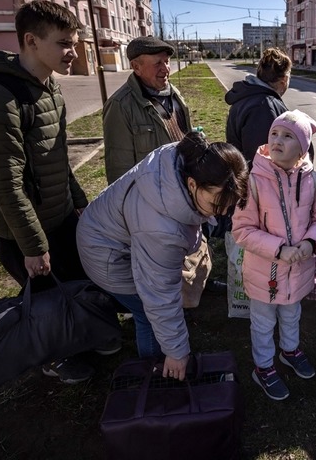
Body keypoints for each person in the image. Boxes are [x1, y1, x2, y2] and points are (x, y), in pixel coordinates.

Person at [0, 0, 112, 384]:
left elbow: (59, 159)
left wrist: (79, 204)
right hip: (21, 229)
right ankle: (53, 358)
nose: (74, 53)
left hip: (59, 214)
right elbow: (4, 182)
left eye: (75, 43)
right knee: (43, 297)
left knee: (71, 284)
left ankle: (79, 336)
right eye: (65, 43)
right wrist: (32, 245)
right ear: (31, 41)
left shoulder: (49, 89)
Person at [77, 132, 248, 380]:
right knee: (147, 312)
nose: (222, 213)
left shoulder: (185, 162)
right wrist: (177, 351)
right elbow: (158, 295)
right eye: (216, 205)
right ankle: (156, 370)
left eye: (228, 205)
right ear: (192, 184)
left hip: (109, 232)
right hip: (106, 255)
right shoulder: (160, 230)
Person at [231, 110, 316, 401]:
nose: (278, 140)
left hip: (299, 270)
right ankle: (263, 367)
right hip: (264, 273)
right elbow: (242, 230)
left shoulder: (314, 182)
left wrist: (311, 243)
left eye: (288, 136)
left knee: (292, 314)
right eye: (274, 134)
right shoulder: (252, 182)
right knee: (263, 322)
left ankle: (290, 350)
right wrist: (279, 249)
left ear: (302, 148)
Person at [103, 36, 191, 184]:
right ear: (136, 67)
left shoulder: (173, 92)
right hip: (151, 196)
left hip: (181, 186)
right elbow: (119, 169)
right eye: (158, 63)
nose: (166, 68)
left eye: (167, 61)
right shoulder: (120, 105)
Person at [225, 47, 304, 165]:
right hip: (259, 181)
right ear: (284, 80)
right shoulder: (263, 107)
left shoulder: (247, 96)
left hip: (243, 175)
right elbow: (264, 160)